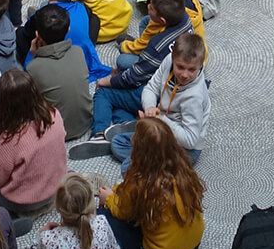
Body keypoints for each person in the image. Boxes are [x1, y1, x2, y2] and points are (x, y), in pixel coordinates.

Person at [74, 33, 209, 173]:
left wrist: (161, 121)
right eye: (180, 67)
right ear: (173, 58)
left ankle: (146, 160)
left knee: (129, 167)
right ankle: (148, 158)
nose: (184, 75)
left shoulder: (194, 97)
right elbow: (151, 88)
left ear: (200, 66)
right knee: (117, 144)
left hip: (185, 150)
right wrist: (150, 107)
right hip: (161, 128)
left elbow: (191, 140)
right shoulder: (169, 60)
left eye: (191, 70)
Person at [95, 117, 204, 249]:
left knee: (100, 217)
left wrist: (109, 198)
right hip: (194, 244)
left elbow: (122, 212)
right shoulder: (183, 168)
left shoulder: (139, 182)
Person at [0, 69, 67, 232]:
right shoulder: (54, 114)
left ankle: (12, 218)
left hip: (24, 202)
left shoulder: (10, 141)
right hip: (56, 187)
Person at [17, 0, 108, 81]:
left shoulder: (41, 16)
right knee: (94, 19)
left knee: (19, 34)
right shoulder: (82, 7)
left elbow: (26, 32)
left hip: (56, 58)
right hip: (81, 55)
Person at [118, 0, 205, 67]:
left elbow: (142, 0)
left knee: (122, 60)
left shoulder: (162, 16)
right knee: (145, 20)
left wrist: (124, 46)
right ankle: (145, 46)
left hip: (177, 63)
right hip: (197, 53)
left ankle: (146, 54)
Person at [25, 4, 93, 141]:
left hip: (55, 131)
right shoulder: (78, 52)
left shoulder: (33, 68)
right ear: (68, 29)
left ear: (37, 35)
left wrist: (35, 56)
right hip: (85, 122)